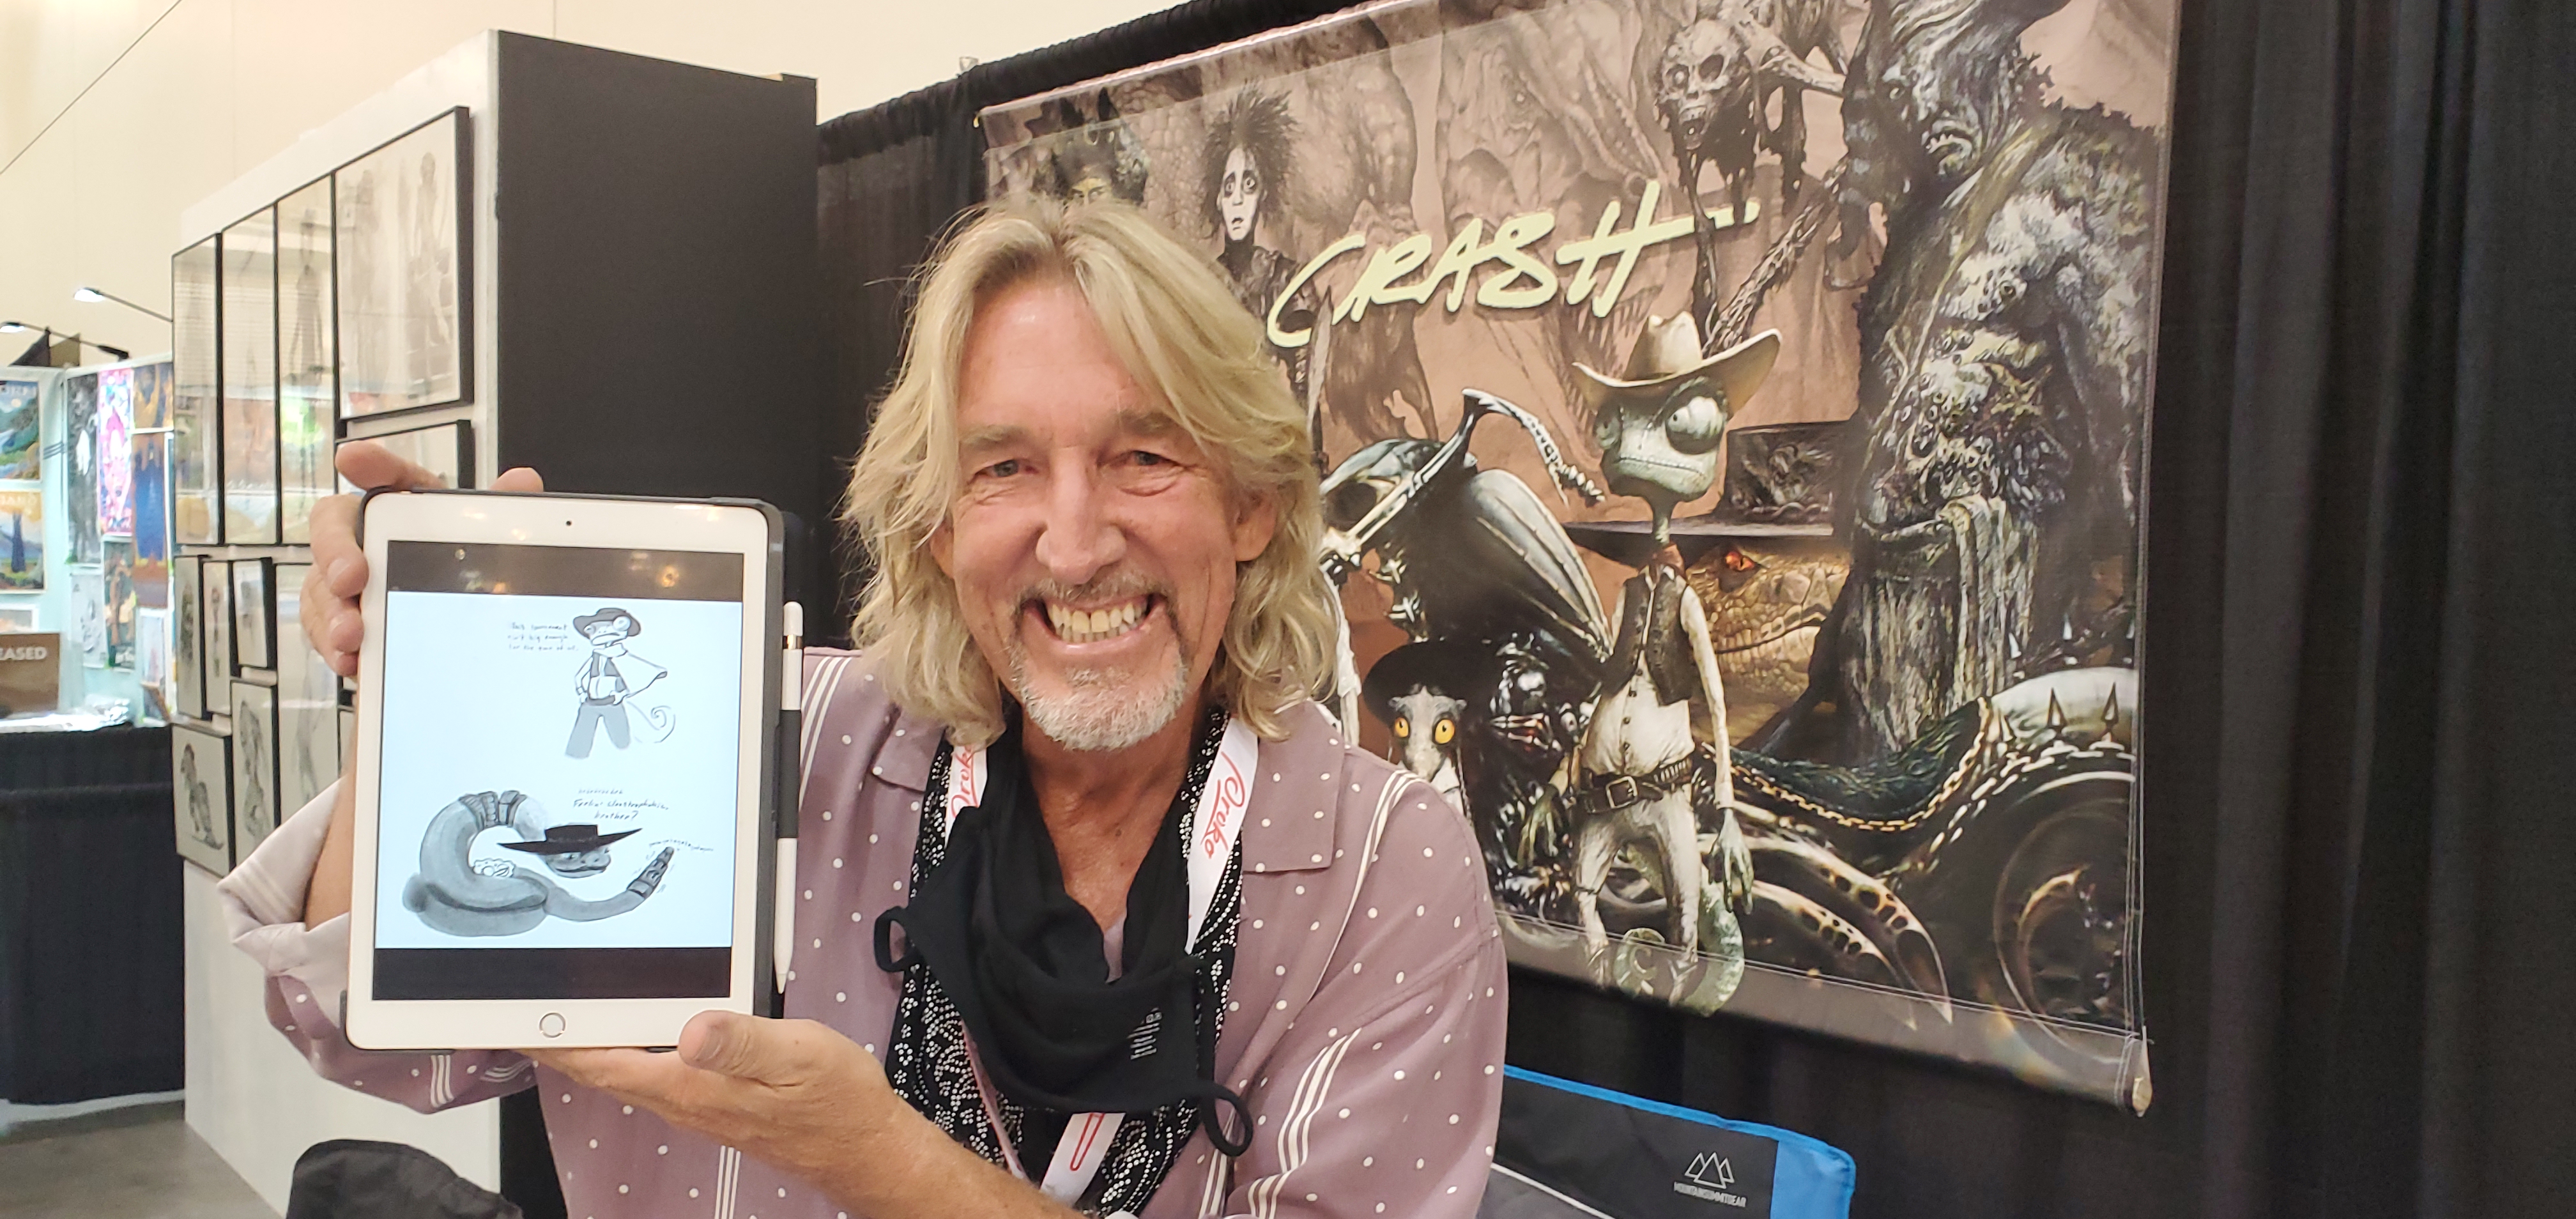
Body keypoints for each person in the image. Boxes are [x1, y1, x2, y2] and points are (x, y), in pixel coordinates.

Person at [218, 197, 1508, 1218]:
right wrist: (403, 681)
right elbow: (365, 1033)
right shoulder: (764, 735)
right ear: (938, 529)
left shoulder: (1382, 869)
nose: (1074, 544)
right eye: (1004, 468)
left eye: (1145, 456)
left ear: (1252, 506)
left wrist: (879, 1160)